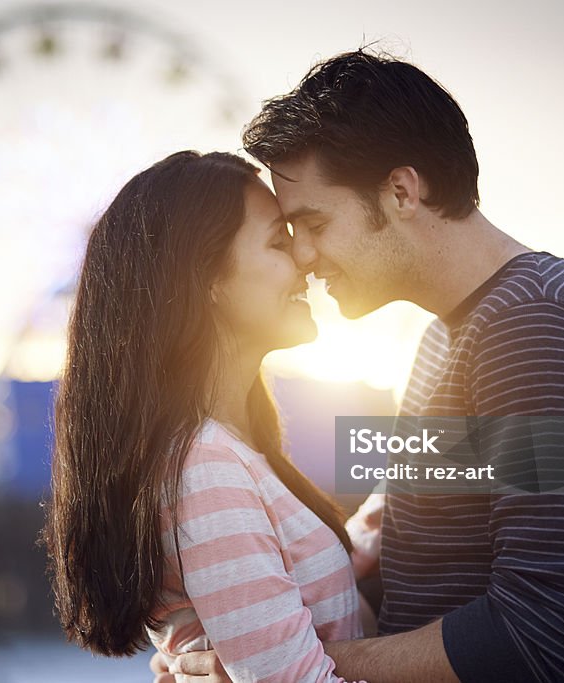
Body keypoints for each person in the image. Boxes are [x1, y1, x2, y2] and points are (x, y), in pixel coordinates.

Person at [155, 50, 564, 683]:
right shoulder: (451, 338)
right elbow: (412, 568)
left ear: (400, 191)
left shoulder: (536, 327)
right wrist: (221, 644)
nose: (304, 256)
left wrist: (286, 668)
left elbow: (550, 629)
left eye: (313, 223)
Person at [43, 151, 377, 682]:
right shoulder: (205, 469)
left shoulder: (232, 452)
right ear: (207, 281)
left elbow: (295, 575)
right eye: (278, 242)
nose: (305, 259)